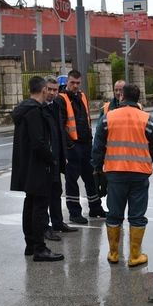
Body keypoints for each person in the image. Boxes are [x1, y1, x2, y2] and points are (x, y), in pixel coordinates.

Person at [91, 83, 153, 267]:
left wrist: (97, 168)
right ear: (138, 99)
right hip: (139, 175)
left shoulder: (108, 118)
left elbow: (98, 147)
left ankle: (114, 254)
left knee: (114, 214)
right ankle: (134, 256)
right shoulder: (148, 120)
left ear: (122, 97)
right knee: (137, 215)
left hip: (115, 174)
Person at [10, 76, 64, 262]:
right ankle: (39, 248)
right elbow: (38, 142)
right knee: (39, 207)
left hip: (27, 166)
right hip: (38, 167)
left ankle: (31, 245)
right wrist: (52, 160)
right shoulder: (34, 111)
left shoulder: (24, 109)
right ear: (42, 90)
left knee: (31, 203)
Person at [58, 69, 107, 225]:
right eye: (72, 82)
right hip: (73, 146)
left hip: (86, 145)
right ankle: (74, 213)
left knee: (91, 177)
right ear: (67, 82)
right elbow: (61, 126)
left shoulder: (82, 96)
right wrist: (70, 146)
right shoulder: (61, 99)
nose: (75, 86)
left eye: (78, 83)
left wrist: (90, 141)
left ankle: (95, 208)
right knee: (72, 181)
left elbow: (86, 120)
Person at [43, 76, 78, 239]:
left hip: (57, 156)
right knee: (44, 194)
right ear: (44, 89)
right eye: (49, 89)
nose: (51, 93)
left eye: (54, 90)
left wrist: (64, 153)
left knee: (56, 191)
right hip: (45, 159)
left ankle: (58, 223)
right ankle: (45, 227)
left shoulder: (56, 104)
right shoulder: (39, 107)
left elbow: (60, 130)